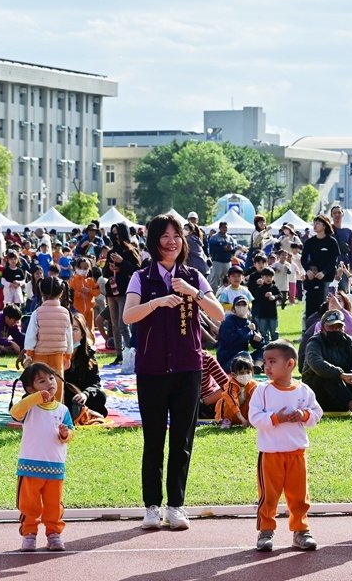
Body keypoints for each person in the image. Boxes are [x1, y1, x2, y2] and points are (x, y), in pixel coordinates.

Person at [122, 214, 225, 531]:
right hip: (151, 369)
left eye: (176, 235)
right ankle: (152, 507)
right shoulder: (142, 277)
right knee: (153, 440)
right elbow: (128, 316)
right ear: (154, 241)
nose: (172, 241)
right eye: (164, 236)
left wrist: (193, 292)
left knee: (182, 440)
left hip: (187, 368)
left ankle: (176, 506)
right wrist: (156, 303)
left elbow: (220, 315)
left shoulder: (194, 275)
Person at [249, 339, 322, 552]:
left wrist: (304, 414)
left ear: (290, 364)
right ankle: (265, 530)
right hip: (270, 455)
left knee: (299, 496)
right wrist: (276, 418)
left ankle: (301, 530)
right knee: (268, 496)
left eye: (272, 361)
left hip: (297, 454)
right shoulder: (262, 390)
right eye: (265, 362)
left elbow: (316, 414)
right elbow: (254, 417)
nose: (267, 367)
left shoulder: (304, 390)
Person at [8, 362, 74, 552]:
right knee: (29, 505)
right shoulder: (29, 408)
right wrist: (35, 398)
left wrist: (65, 433)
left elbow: (70, 433)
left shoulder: (62, 410)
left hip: (55, 468)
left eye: (51, 378)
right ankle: (29, 534)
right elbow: (15, 412)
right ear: (30, 389)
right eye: (42, 381)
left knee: (54, 506)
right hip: (29, 467)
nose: (49, 384)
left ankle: (54, 534)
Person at [302, 309, 352, 419]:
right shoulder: (315, 342)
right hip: (318, 393)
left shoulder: (347, 341)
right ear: (322, 328)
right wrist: (341, 375)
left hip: (341, 392)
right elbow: (316, 363)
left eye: (339, 327)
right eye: (331, 327)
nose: (336, 330)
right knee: (327, 373)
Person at [23, 278, 73, 404]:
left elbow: (31, 336)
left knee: (40, 385)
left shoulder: (37, 312)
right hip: (58, 356)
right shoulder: (65, 313)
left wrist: (29, 354)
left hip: (40, 356)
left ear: (41, 291)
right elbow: (69, 337)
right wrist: (68, 356)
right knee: (56, 386)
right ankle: (57, 414)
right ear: (61, 293)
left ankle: (40, 413)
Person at [103, 222, 141, 364]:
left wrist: (122, 262)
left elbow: (137, 270)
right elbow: (104, 272)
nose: (116, 236)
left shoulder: (130, 251)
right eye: (113, 234)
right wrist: (111, 267)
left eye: (118, 233)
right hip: (112, 290)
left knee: (123, 324)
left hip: (125, 290)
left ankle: (130, 352)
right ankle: (119, 355)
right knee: (114, 325)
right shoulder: (112, 251)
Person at [64, 313, 108, 418]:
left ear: (82, 334)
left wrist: (85, 394)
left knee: (100, 397)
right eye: (67, 329)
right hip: (62, 396)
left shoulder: (88, 355)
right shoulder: (55, 353)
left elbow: (95, 383)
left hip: (81, 396)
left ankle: (82, 412)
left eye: (75, 329)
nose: (70, 333)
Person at [301, 215, 340, 322]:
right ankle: (306, 329)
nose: (315, 225)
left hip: (327, 278)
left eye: (318, 223)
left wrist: (324, 272)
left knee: (326, 304)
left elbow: (334, 260)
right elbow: (303, 258)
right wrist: (307, 270)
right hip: (312, 278)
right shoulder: (309, 242)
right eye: (314, 223)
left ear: (324, 226)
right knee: (309, 305)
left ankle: (327, 326)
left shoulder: (331, 242)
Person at [217, 295, 265, 369]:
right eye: (238, 305)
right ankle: (251, 367)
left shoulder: (249, 323)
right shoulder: (227, 322)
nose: (241, 307)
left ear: (248, 308)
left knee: (266, 349)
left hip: (243, 359)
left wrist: (259, 340)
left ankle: (256, 367)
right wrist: (246, 329)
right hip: (227, 361)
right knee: (244, 354)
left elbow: (255, 344)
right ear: (233, 309)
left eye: (244, 305)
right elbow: (230, 340)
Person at [214, 353, 257, 428]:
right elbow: (233, 402)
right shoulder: (231, 384)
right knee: (227, 399)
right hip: (233, 414)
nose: (245, 375)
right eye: (241, 373)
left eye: (248, 372)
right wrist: (241, 419)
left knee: (254, 398)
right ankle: (227, 420)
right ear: (233, 375)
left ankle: (251, 419)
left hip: (244, 413)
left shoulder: (253, 385)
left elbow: (257, 402)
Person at [68, 256, 100, 330]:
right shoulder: (72, 281)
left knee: (90, 329)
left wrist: (90, 290)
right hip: (77, 310)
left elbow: (97, 292)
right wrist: (79, 294)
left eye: (85, 268)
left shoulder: (91, 281)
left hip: (89, 310)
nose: (82, 270)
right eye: (80, 267)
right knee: (78, 329)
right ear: (76, 267)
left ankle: (91, 341)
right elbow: (70, 294)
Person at [208, 221, 238, 289]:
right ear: (220, 228)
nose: (225, 229)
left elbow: (235, 248)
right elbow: (212, 249)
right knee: (214, 280)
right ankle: (213, 295)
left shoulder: (230, 238)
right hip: (217, 262)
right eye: (223, 227)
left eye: (226, 227)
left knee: (228, 280)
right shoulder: (214, 237)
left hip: (227, 262)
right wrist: (223, 249)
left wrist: (231, 249)